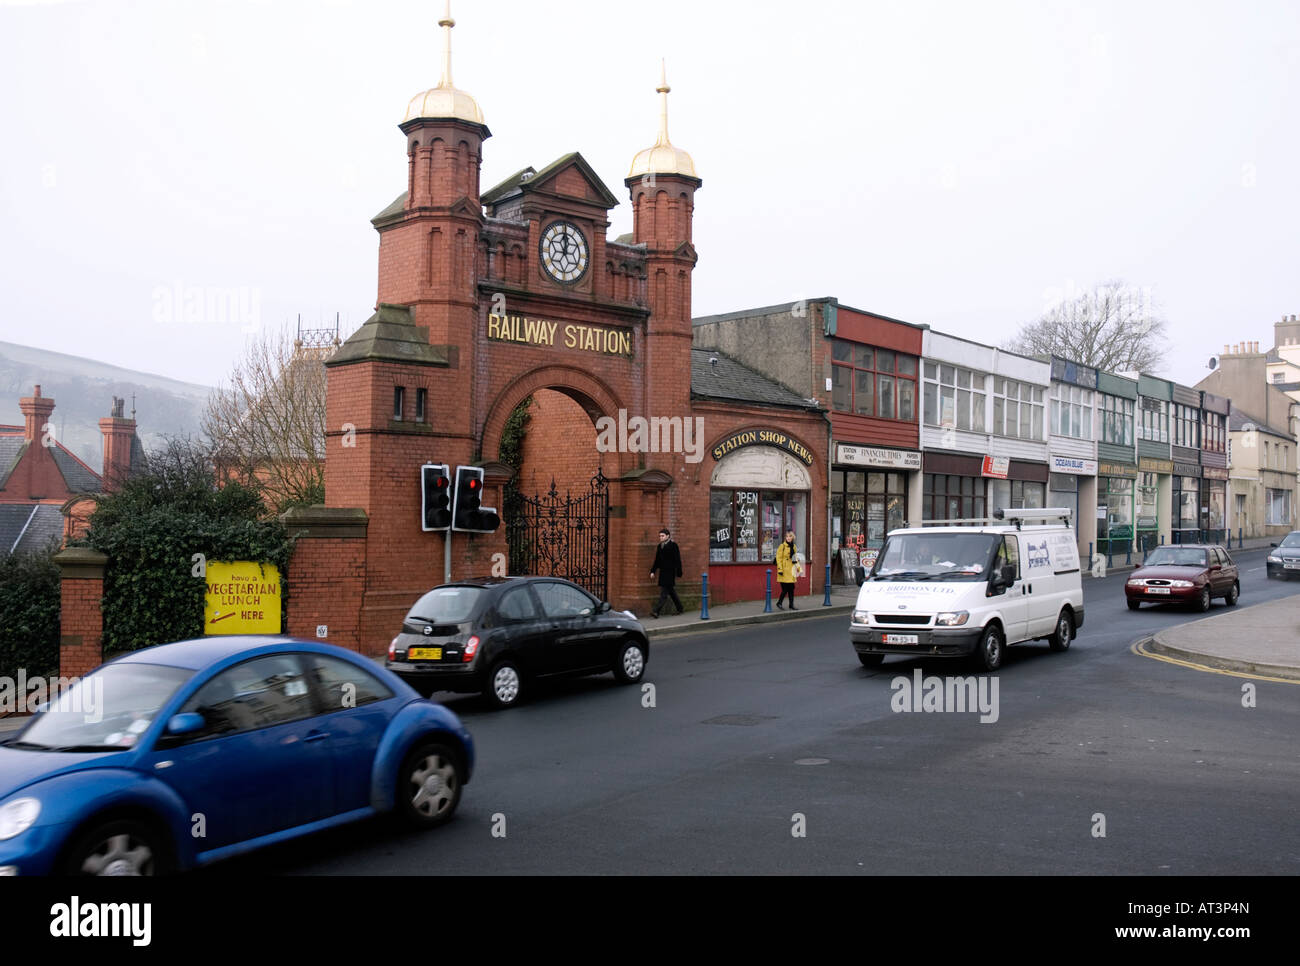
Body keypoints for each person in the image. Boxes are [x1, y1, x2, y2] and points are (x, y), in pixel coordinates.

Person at [649, 527, 684, 618]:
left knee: (664, 593)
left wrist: (679, 572)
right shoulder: (659, 546)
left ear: (668, 536)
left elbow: (677, 560)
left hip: (670, 572)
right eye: (659, 536)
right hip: (663, 572)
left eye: (662, 536)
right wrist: (653, 571)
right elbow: (657, 560)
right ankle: (680, 608)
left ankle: (656, 611)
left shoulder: (673, 545)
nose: (660, 537)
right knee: (671, 592)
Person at [775, 531, 799, 609]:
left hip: (791, 570)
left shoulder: (794, 546)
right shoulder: (782, 546)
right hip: (784, 570)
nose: (788, 538)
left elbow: (795, 558)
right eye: (787, 536)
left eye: (790, 536)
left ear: (792, 537)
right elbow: (779, 559)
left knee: (791, 588)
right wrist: (780, 569)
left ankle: (791, 605)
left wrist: (799, 568)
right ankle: (779, 603)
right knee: (785, 589)